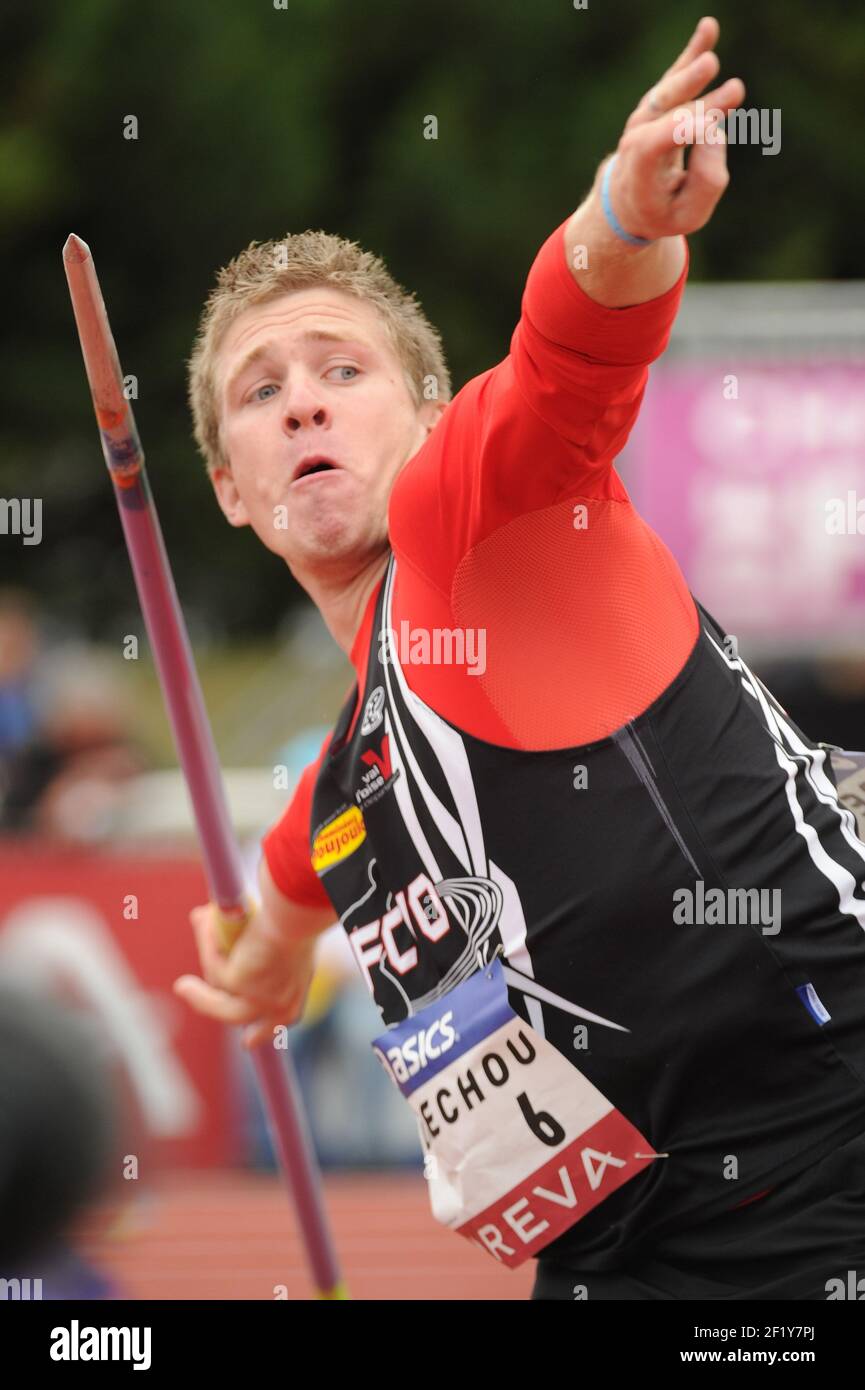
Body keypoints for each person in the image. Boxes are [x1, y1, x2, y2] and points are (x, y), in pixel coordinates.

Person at [174, 17, 865, 1299]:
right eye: (259, 392)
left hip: (821, 1145)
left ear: (431, 416)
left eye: (341, 368)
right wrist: (268, 941)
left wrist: (624, 211)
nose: (304, 403)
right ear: (229, 488)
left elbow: (568, 360)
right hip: (631, 1237)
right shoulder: (371, 738)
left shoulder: (468, 514)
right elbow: (319, 832)